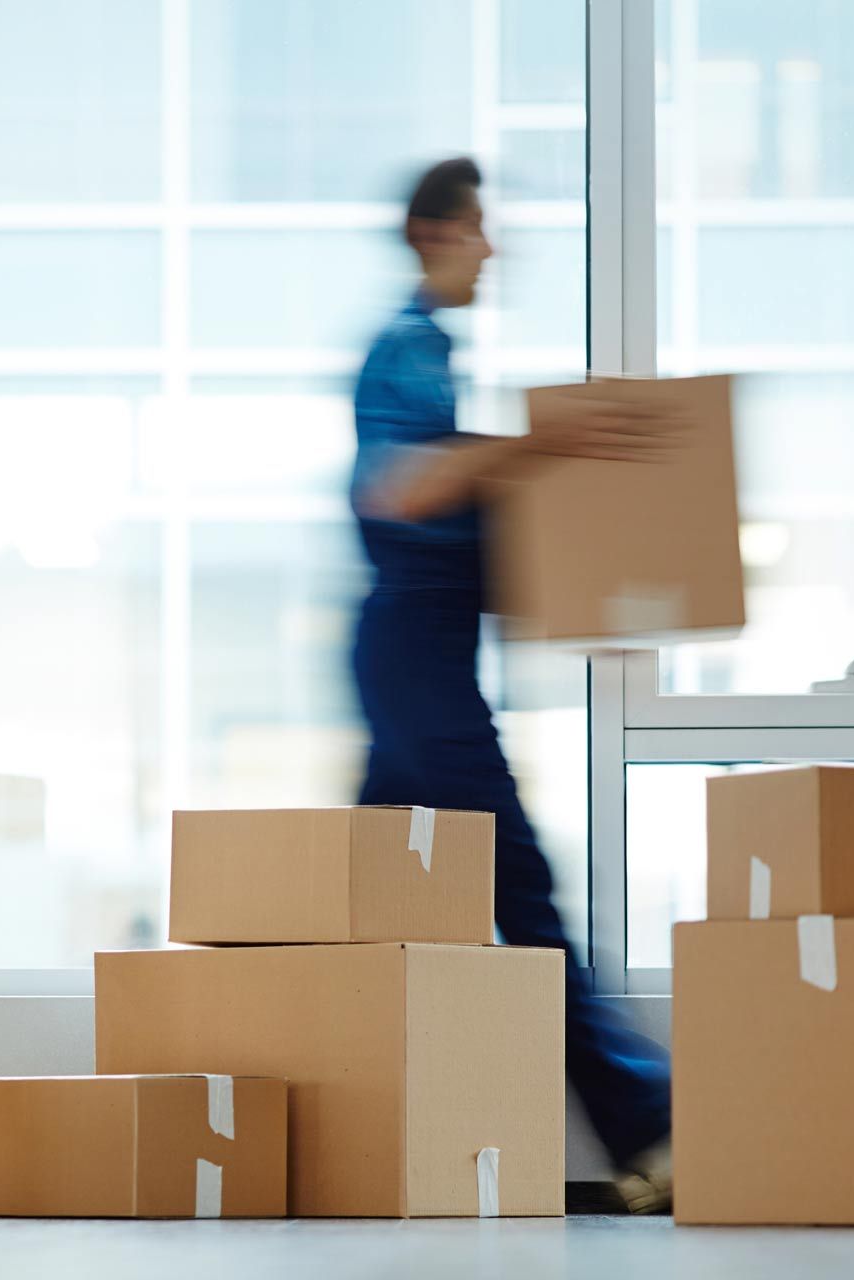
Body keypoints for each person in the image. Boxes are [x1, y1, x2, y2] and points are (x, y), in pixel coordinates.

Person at [348, 156, 675, 1213]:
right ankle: (648, 1131)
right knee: (521, 889)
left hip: (423, 659)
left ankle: (354, 1125)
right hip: (415, 665)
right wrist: (544, 442)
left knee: (371, 906)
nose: (495, 248)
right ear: (436, 232)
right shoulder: (407, 347)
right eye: (480, 227)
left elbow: (452, 504)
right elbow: (403, 488)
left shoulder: (433, 357)